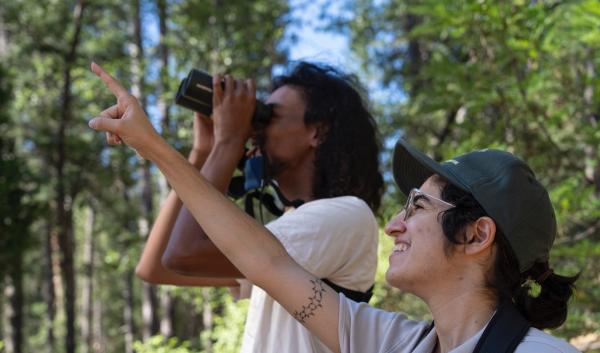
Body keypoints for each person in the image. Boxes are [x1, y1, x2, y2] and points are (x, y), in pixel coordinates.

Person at [88, 62, 580, 353]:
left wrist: (215, 144)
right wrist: (165, 149)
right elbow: (265, 262)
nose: (392, 226)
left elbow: (211, 256)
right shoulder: (393, 343)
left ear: (477, 235)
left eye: (416, 207)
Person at [130, 62, 384, 352]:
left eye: (266, 116)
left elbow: (183, 255)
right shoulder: (293, 226)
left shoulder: (345, 215)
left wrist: (227, 142)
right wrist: (203, 153)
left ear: (318, 132)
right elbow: (156, 267)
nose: (253, 130)